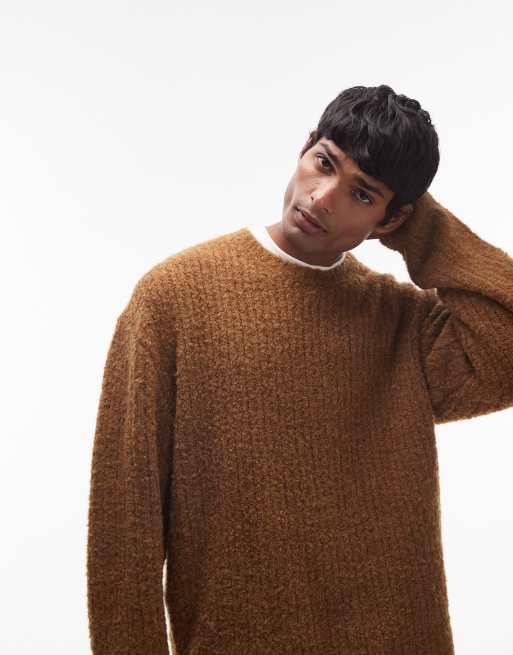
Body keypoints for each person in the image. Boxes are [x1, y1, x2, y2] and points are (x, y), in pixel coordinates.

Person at [87, 84, 513, 654]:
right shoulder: (175, 298)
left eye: (361, 194)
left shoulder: (401, 325)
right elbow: (125, 516)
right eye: (324, 163)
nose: (322, 198)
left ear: (394, 218)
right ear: (306, 146)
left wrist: (423, 230)